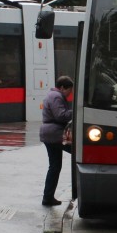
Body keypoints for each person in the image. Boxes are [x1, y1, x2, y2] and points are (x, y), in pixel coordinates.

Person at [40, 75, 74, 207]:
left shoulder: (53, 95)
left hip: (51, 134)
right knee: (78, 152)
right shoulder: (56, 96)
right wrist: (76, 110)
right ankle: (48, 197)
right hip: (54, 134)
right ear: (62, 87)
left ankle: (48, 197)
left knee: (54, 166)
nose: (70, 94)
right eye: (69, 90)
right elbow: (60, 115)